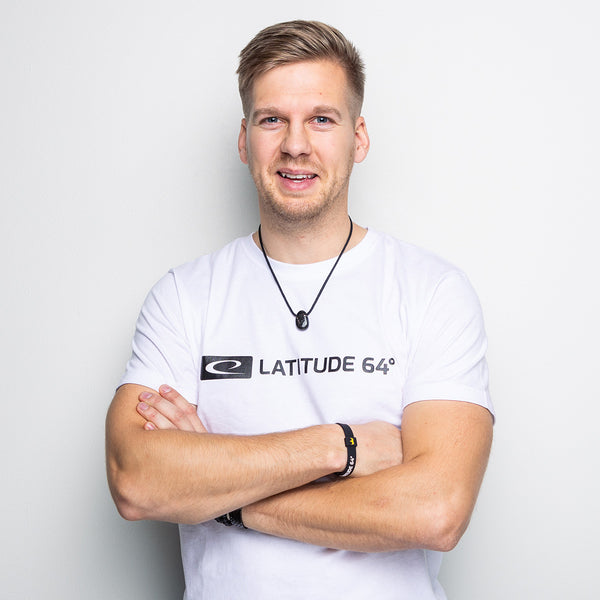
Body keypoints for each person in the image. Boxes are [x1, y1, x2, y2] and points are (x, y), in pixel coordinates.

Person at [106, 20, 494, 600]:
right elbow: (136, 479)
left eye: (321, 119)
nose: (295, 145)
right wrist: (341, 446)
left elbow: (436, 510)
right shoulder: (185, 296)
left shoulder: (431, 290)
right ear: (244, 140)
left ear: (358, 138)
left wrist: (224, 500)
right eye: (272, 120)